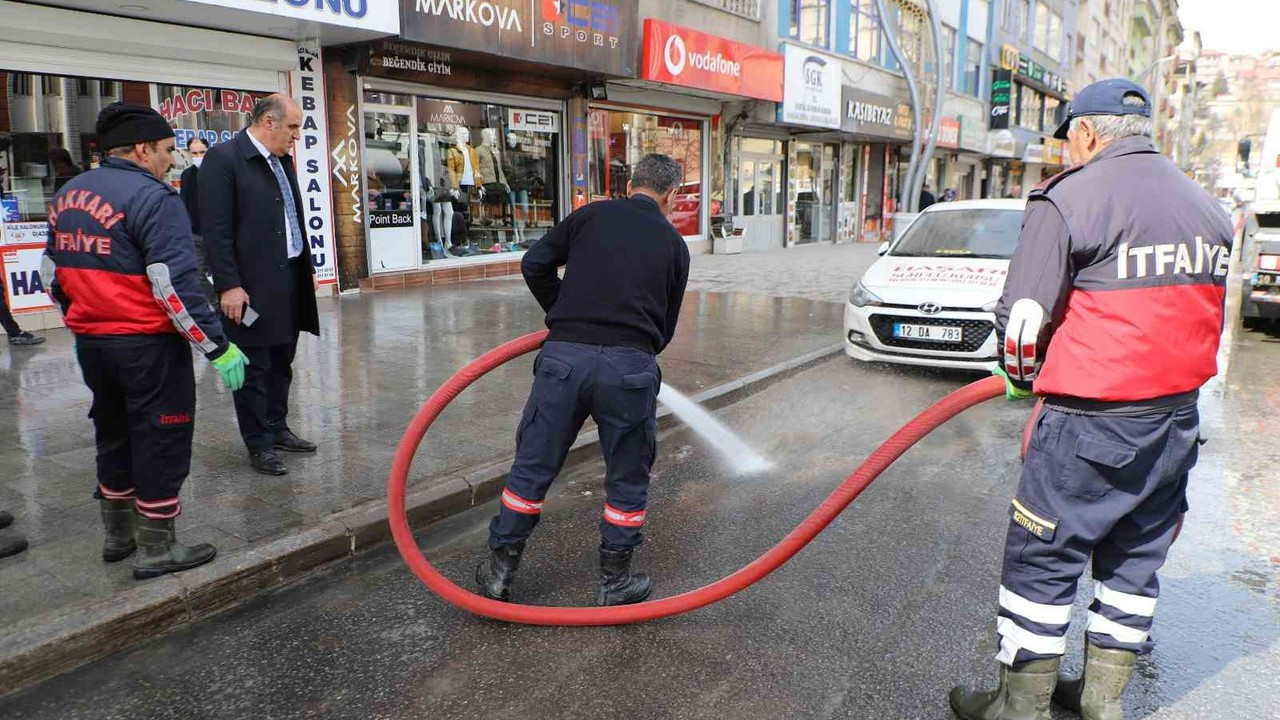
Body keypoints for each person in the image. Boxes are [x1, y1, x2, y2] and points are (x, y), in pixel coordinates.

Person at [948, 79, 1232, 720]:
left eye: (1068, 139)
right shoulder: (1208, 209)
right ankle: (1102, 704)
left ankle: (1017, 708)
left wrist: (1022, 378)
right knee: (1134, 563)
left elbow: (1022, 322)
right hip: (1174, 423)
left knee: (1042, 563)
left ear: (1085, 132)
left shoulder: (1070, 199)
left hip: (1087, 426)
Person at [41, 102, 249, 580]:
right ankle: (158, 546)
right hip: (147, 347)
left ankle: (118, 536)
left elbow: (52, 274)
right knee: (161, 436)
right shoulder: (154, 198)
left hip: (93, 345)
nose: (172, 161)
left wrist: (80, 320)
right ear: (140, 149)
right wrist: (216, 346)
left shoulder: (68, 194)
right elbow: (174, 286)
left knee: (113, 430)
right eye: (166, 150)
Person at [475, 154, 691, 606]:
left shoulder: (590, 214)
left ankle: (500, 571)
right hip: (629, 369)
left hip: (563, 361)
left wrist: (563, 313)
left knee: (533, 466)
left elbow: (534, 263)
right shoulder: (675, 245)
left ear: (629, 183)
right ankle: (615, 582)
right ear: (671, 196)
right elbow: (665, 328)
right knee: (627, 476)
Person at [200, 95, 320, 477]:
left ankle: (277, 427)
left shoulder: (282, 160)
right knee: (254, 367)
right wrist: (228, 285)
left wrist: (306, 267)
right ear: (268, 122)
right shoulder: (224, 160)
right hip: (249, 287)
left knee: (282, 360)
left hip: (288, 278)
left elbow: (291, 217)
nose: (297, 136)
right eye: (292, 127)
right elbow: (215, 232)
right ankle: (259, 444)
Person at [179, 137, 214, 302]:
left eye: (202, 152)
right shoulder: (187, 175)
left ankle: (240, 313)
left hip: (217, 235)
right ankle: (216, 304)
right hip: (196, 235)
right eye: (194, 153)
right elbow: (184, 203)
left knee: (227, 277)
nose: (198, 156)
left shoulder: (218, 172)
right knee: (198, 276)